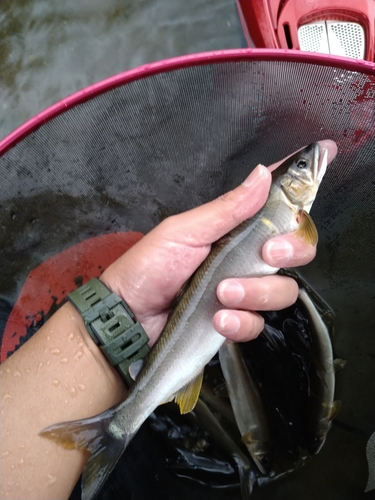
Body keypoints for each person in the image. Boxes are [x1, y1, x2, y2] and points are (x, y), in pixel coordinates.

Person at [0, 140, 337, 500]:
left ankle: (118, 424)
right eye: (300, 167)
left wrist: (104, 335)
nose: (310, 164)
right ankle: (120, 425)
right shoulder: (288, 210)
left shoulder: (280, 206)